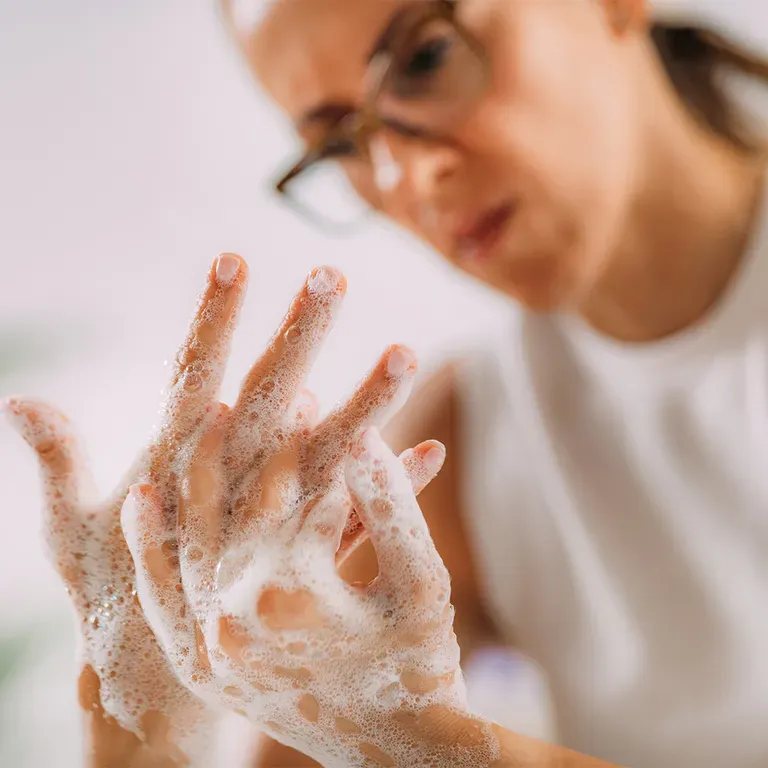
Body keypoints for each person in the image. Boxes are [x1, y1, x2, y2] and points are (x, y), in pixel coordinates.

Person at [3, 0, 768, 766]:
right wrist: (143, 726)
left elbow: (395, 741)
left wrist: (444, 750)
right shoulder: (463, 443)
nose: (404, 175)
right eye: (341, 141)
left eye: (426, 59)